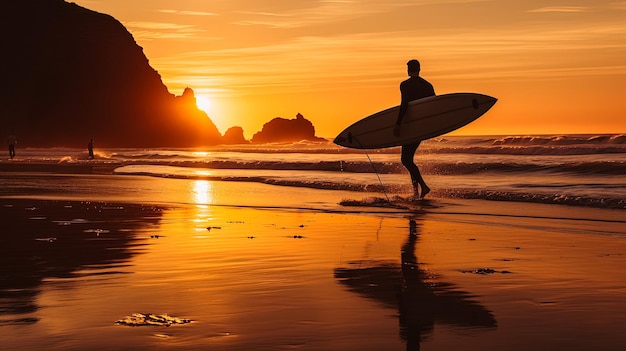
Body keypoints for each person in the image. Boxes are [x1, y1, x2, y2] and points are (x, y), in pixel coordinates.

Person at [393, 59, 435, 199]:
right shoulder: (427, 85)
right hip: (421, 128)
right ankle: (416, 192)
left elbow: (404, 105)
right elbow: (433, 106)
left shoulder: (405, 85)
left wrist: (398, 124)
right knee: (408, 159)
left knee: (405, 159)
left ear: (408, 69)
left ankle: (422, 187)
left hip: (410, 126)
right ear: (420, 69)